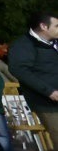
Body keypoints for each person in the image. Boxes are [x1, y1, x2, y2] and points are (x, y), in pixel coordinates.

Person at [8, 11, 58, 144]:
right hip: (47, 104)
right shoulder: (23, 45)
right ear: (43, 26)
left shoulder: (54, 43)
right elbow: (20, 70)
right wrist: (49, 91)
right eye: (57, 26)